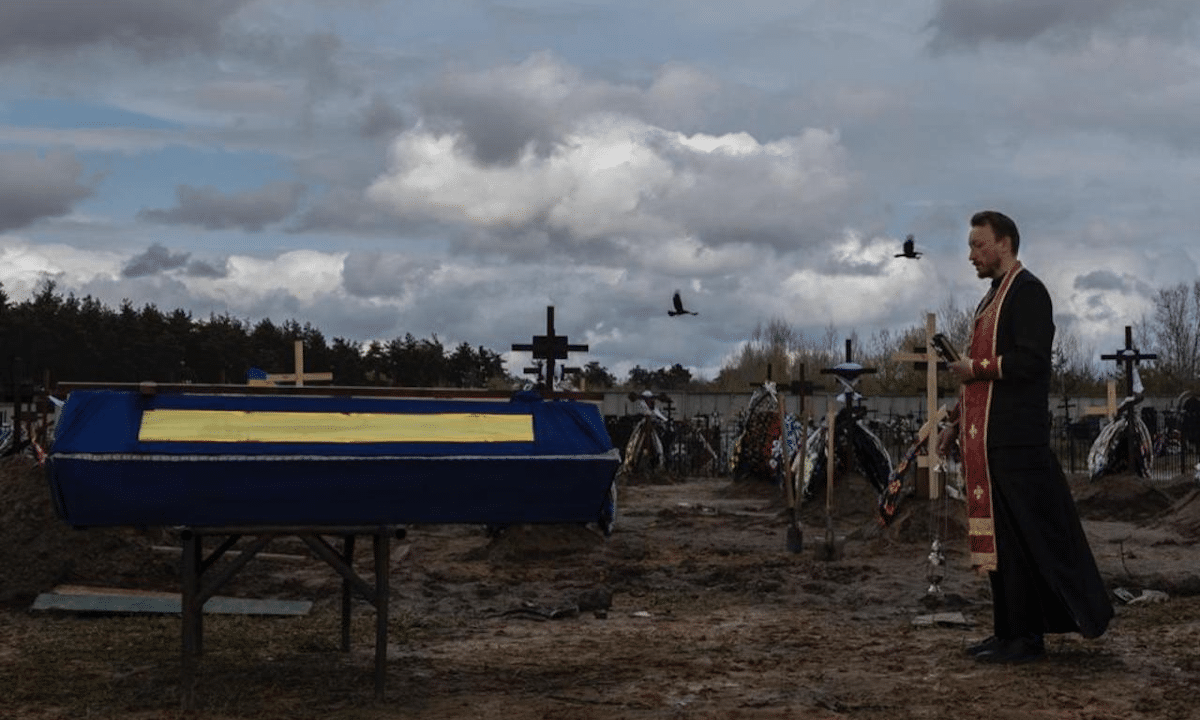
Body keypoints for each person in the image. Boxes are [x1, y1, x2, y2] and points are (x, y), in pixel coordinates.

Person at [938, 210, 1113, 664]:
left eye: (979, 245)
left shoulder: (1029, 292)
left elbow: (1032, 361)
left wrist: (973, 368)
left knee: (1022, 539)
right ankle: (1007, 631)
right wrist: (955, 423)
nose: (971, 254)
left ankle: (1027, 638)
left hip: (1018, 442)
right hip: (988, 441)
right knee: (1000, 539)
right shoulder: (990, 300)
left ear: (1006, 243)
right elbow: (979, 381)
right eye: (971, 245)